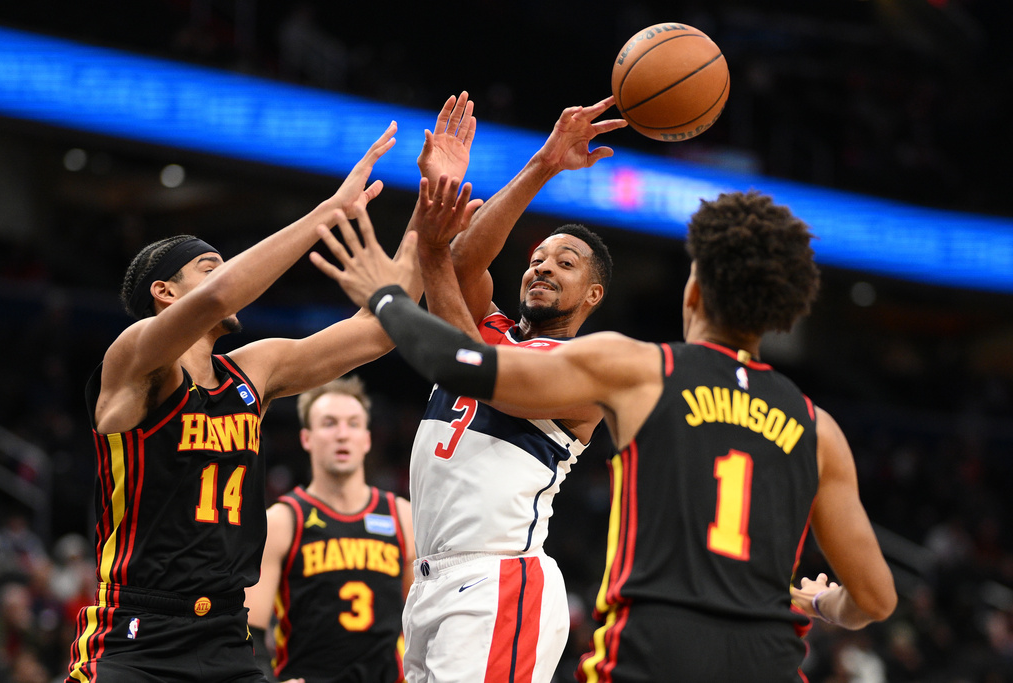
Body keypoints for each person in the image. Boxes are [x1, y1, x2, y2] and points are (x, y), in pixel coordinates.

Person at [310, 189, 898, 683]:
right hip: (766, 660)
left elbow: (462, 363)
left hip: (646, 644)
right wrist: (821, 601)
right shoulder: (819, 428)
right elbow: (875, 599)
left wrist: (386, 292)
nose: (543, 268)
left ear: (692, 293)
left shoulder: (642, 369)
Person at [65, 122, 419, 683]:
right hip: (135, 635)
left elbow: (378, 332)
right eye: (210, 264)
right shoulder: (135, 358)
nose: (226, 273)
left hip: (226, 636)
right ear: (166, 292)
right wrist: (329, 211)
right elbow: (222, 294)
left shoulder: (252, 371)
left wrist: (429, 213)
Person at [388, 94, 626, 683]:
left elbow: (473, 365)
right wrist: (544, 163)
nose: (543, 267)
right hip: (430, 582)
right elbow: (464, 263)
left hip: (499, 579)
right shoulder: (490, 328)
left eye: (565, 264)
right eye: (538, 258)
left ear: (593, 296)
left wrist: (432, 248)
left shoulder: (586, 369)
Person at [244, 376, 415, 683]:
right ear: (306, 438)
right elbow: (249, 629)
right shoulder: (283, 521)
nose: (341, 435)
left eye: (353, 424)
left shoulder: (402, 516)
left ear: (367, 438)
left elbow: (422, 619)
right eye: (329, 423)